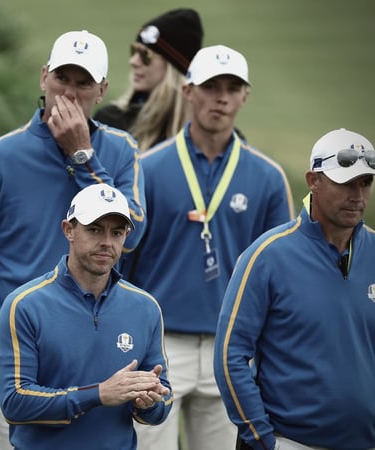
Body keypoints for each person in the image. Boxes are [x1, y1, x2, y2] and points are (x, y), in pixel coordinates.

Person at [0, 29, 146, 450]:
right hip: (12, 338)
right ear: (43, 78)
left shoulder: (121, 150)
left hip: (98, 335)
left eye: (83, 83)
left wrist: (82, 155)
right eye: (62, 79)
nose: (69, 93)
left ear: (102, 90)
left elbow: (133, 232)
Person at [214, 128, 375, 450]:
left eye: (365, 183)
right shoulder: (267, 256)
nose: (357, 196)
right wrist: (261, 439)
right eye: (346, 183)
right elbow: (229, 356)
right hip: (286, 442)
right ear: (313, 180)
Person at [122, 44, 294, 450]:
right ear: (187, 91)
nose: (221, 97)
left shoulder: (267, 178)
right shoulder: (147, 168)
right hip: (157, 346)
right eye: (210, 86)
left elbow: (279, 277)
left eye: (232, 88)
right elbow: (122, 262)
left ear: (245, 96)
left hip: (231, 347)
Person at [0, 183, 170, 449]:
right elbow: (15, 403)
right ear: (69, 230)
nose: (106, 243)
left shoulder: (146, 307)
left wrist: (149, 404)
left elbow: (163, 402)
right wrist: (98, 394)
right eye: (94, 230)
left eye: (117, 232)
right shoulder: (24, 304)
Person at [94, 8, 203, 151]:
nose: (133, 61)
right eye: (134, 51)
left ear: (173, 68)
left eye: (145, 55)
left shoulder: (201, 134)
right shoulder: (110, 121)